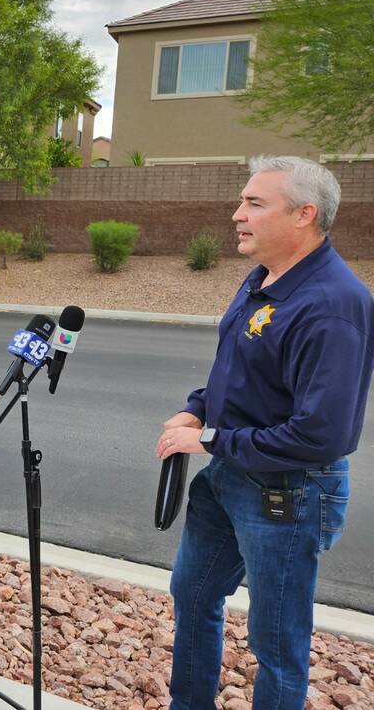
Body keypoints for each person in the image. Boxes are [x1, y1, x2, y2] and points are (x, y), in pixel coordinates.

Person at [155, 156, 373, 709]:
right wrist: (198, 410)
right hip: (230, 475)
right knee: (193, 594)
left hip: (288, 492)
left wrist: (209, 441)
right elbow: (239, 369)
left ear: (304, 214)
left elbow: (318, 435)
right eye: (242, 201)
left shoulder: (333, 306)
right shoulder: (262, 278)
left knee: (276, 641)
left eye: (254, 203)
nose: (237, 214)